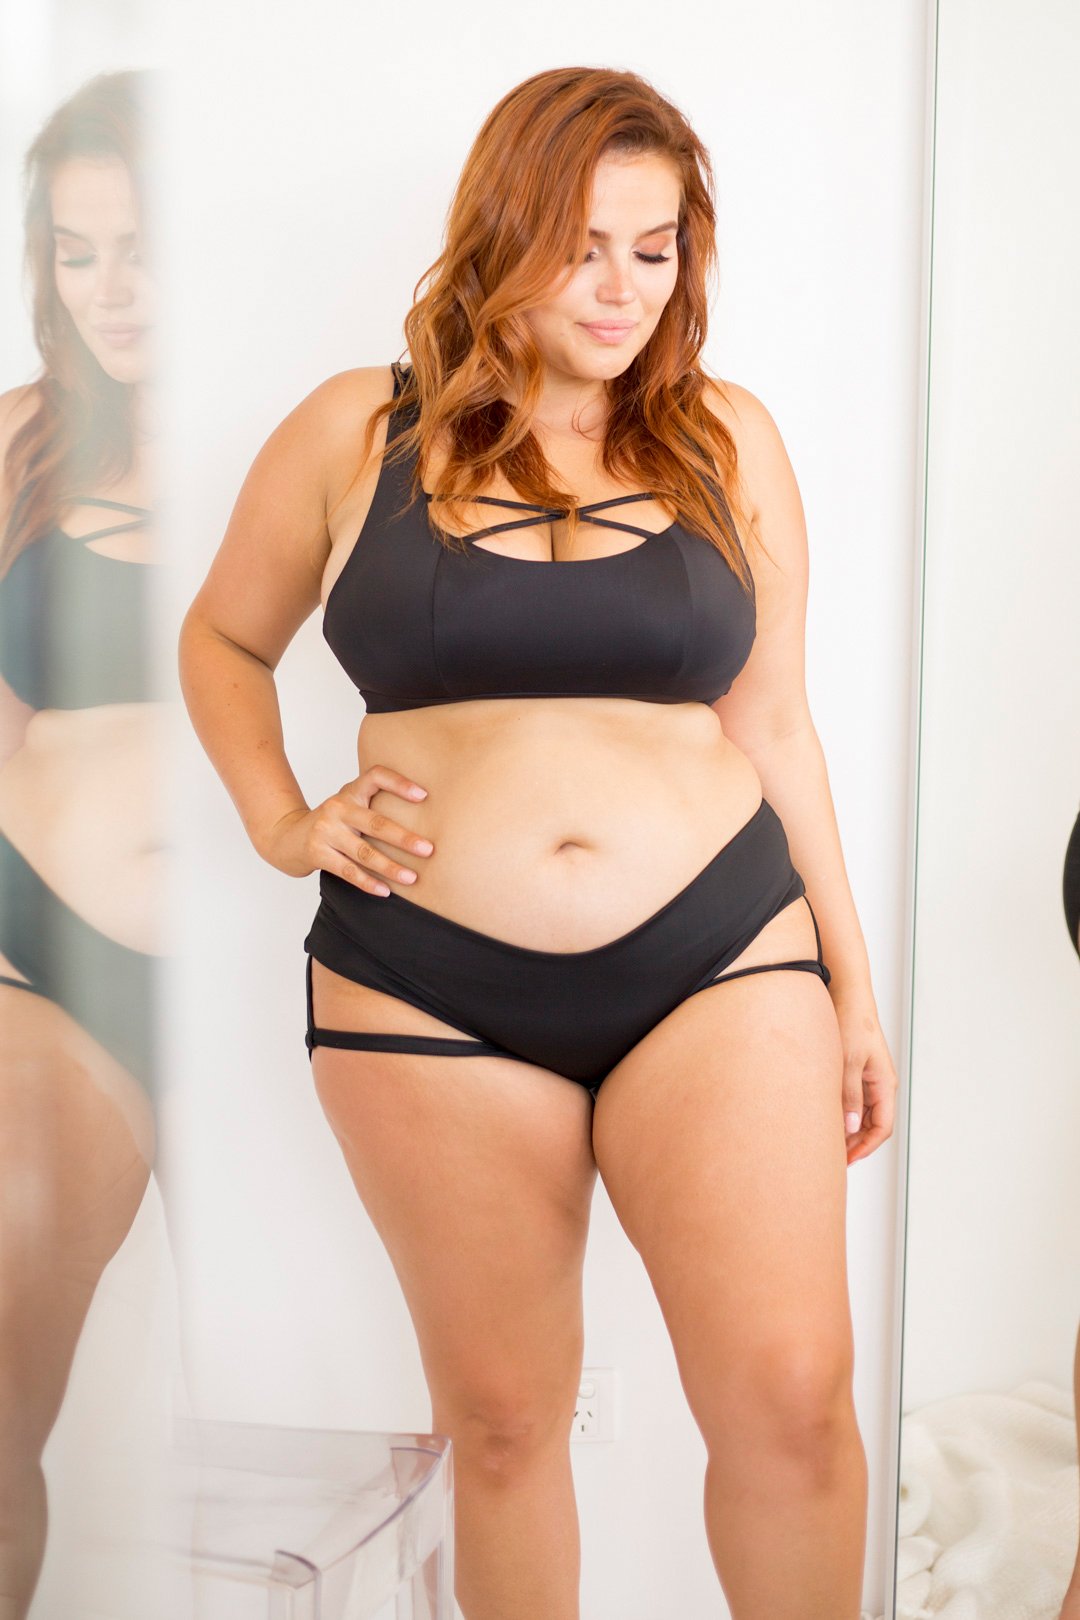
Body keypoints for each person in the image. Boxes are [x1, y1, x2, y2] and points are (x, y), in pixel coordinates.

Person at [179, 65, 898, 1620]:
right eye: (584, 248)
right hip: (423, 987)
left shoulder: (726, 438)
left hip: (720, 957)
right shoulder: (353, 430)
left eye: (655, 249)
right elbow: (222, 640)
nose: (624, 289)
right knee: (501, 1425)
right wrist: (284, 822)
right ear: (504, 233)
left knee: (792, 1395)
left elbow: (778, 723)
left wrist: (852, 981)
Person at [0, 71, 160, 1619]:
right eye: (76, 251)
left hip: (280, 980)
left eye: (144, 247)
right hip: (43, 964)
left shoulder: (316, 443)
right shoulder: (19, 446)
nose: (110, 291)